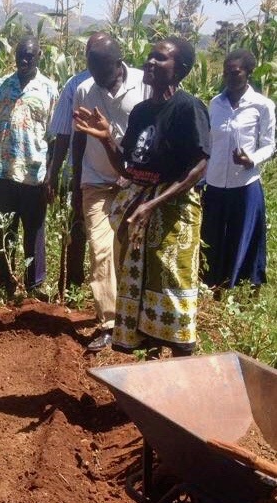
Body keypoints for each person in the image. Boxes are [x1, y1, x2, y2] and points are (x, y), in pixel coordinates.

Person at [75, 37, 210, 357]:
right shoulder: (141, 112)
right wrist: (107, 138)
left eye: (160, 59)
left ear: (180, 70)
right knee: (140, 287)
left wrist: (153, 203)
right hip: (140, 208)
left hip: (173, 212)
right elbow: (127, 167)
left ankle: (182, 362)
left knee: (172, 288)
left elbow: (199, 166)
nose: (150, 62)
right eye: (149, 56)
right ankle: (150, 360)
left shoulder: (188, 108)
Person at [71, 37, 148, 352]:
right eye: (90, 65)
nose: (94, 73)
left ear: (119, 62)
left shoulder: (144, 85)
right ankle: (110, 324)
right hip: (96, 183)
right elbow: (78, 141)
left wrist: (134, 174)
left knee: (130, 252)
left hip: (135, 182)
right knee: (101, 250)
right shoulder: (84, 90)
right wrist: (76, 184)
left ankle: (139, 319)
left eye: (100, 66)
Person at [0, 36, 59, 298]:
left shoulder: (49, 89)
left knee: (34, 230)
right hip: (5, 171)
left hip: (35, 173)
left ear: (39, 56)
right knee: (4, 230)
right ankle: (5, 283)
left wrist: (51, 177)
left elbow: (55, 137)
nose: (24, 61)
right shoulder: (1, 86)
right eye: (20, 56)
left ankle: (35, 286)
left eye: (30, 56)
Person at [201, 49, 274, 291]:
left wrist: (250, 159)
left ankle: (242, 286)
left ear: (249, 72)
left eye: (235, 72)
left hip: (243, 184)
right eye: (226, 73)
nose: (229, 77)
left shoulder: (262, 105)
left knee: (241, 237)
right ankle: (212, 284)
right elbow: (210, 142)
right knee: (212, 236)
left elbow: (270, 144)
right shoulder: (216, 103)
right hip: (214, 183)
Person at [44, 32, 110, 291]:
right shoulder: (75, 86)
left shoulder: (132, 83)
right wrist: (54, 173)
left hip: (117, 173)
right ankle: (72, 282)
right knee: (75, 229)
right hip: (78, 171)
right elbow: (63, 133)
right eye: (90, 55)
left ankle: (104, 286)